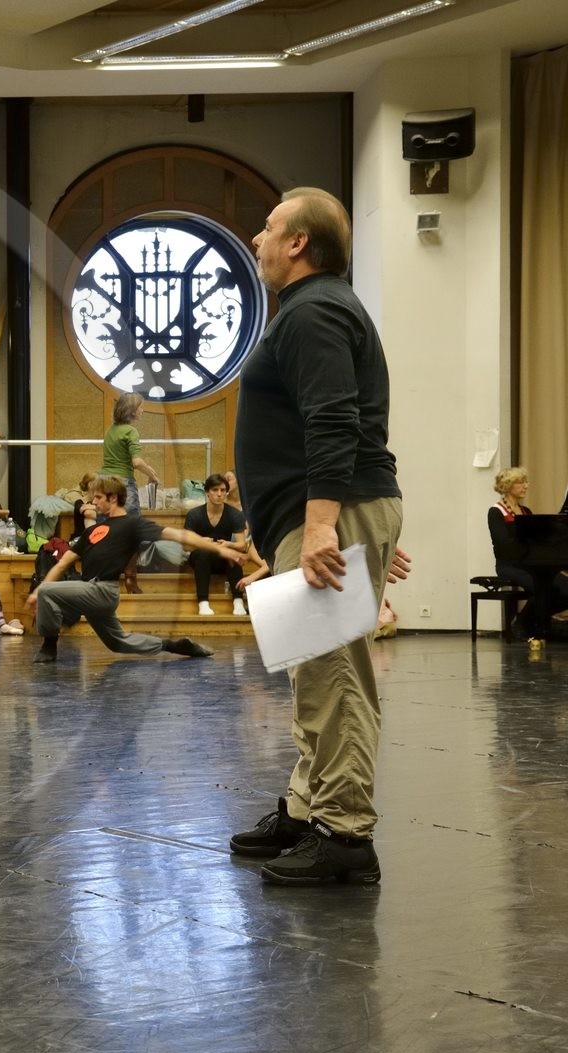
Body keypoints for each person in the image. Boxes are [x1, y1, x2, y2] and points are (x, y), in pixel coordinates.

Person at [227, 187, 404, 888]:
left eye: (269, 227)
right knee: (313, 675)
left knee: (335, 679)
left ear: (300, 242)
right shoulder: (310, 310)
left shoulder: (318, 309)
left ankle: (347, 836)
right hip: (319, 512)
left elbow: (335, 418)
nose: (259, 235)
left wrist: (330, 521)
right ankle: (307, 809)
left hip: (327, 513)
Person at [27, 475, 241, 663]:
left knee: (47, 591)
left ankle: (49, 644)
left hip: (103, 590)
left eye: (99, 497)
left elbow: (179, 535)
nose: (93, 502)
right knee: (118, 643)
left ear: (113, 498)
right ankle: (174, 646)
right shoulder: (94, 530)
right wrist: (39, 591)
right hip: (90, 590)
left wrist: (218, 549)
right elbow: (64, 562)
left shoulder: (133, 524)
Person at [487, 466, 568, 635]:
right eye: (520, 482)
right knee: (547, 588)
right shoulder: (496, 511)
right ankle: (526, 625)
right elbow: (503, 543)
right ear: (507, 486)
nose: (526, 486)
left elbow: (537, 541)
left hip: (531, 563)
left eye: (526, 482)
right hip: (510, 565)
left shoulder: (526, 511)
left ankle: (525, 620)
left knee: (566, 588)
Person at [183, 472, 248, 617]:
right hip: (200, 558)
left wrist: (228, 545)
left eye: (223, 490)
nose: (219, 494)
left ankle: (238, 600)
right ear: (207, 492)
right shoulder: (194, 514)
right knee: (203, 553)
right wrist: (201, 543)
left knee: (233, 555)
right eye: (215, 490)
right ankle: (203, 602)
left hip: (223, 559)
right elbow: (186, 547)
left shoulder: (235, 515)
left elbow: (242, 545)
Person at [100, 392, 158, 514]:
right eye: (140, 407)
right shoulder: (131, 431)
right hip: (123, 483)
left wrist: (147, 468)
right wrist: (151, 475)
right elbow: (136, 462)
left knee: (105, 525)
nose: (142, 410)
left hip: (103, 481)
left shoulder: (109, 430)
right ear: (132, 410)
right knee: (130, 524)